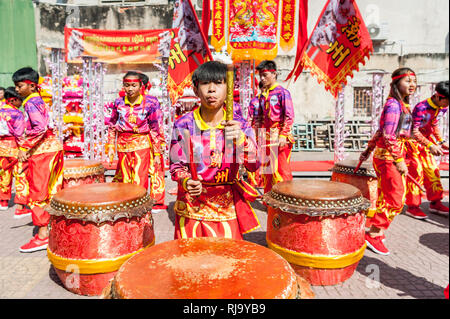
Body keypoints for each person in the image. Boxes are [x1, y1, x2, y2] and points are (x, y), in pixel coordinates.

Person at [169, 61, 260, 239]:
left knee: (227, 261)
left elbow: (255, 164)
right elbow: (176, 165)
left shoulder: (239, 124)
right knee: (190, 259)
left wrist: (241, 140)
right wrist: (186, 181)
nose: (211, 89)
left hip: (225, 206)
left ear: (228, 89)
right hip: (191, 206)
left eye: (218, 83)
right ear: (196, 90)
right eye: (205, 83)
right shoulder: (183, 124)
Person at [365, 67, 417, 256]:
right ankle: (373, 233)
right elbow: (388, 136)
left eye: (414, 81)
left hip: (390, 155)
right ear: (396, 84)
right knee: (396, 198)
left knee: (386, 195)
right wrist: (399, 159)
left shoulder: (402, 105)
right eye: (407, 81)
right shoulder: (394, 105)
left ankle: (377, 230)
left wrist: (368, 149)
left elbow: (380, 131)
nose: (412, 85)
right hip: (389, 157)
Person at [13, 67, 64, 253]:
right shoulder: (38, 100)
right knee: (52, 190)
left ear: (32, 86)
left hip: (43, 152)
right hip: (52, 148)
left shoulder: (30, 102)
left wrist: (25, 147)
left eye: (20, 86)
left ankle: (43, 235)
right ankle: (53, 229)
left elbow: (40, 127)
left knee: (39, 191)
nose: (17, 90)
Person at [106, 71, 163, 193]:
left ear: (141, 86)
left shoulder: (149, 103)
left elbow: (154, 128)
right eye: (127, 85)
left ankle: (140, 209)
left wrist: (157, 153)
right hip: (122, 144)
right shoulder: (118, 103)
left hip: (141, 143)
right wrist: (110, 146)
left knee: (139, 177)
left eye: (133, 85)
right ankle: (128, 205)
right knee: (126, 178)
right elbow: (112, 125)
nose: (130, 89)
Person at [404, 81, 449, 218]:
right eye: (447, 101)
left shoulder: (442, 107)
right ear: (439, 96)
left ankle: (435, 202)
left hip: (426, 143)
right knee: (416, 172)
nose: (447, 105)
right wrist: (430, 145)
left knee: (432, 170)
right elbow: (414, 132)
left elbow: (434, 125)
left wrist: (441, 141)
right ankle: (413, 206)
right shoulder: (421, 108)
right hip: (412, 143)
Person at [255, 60, 295, 193]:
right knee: (267, 170)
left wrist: (283, 135)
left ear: (274, 74)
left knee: (282, 170)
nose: (262, 78)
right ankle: (269, 200)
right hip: (266, 138)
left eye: (265, 75)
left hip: (279, 136)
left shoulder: (282, 93)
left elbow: (289, 116)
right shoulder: (263, 95)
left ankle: (286, 199)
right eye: (260, 75)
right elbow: (260, 118)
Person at [0, 87, 25, 210]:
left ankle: (3, 201)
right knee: (20, 174)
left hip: (1, 147)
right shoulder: (17, 114)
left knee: (4, 173)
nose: (21, 103)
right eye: (20, 100)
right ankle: (20, 204)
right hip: (14, 147)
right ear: (13, 100)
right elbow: (20, 134)